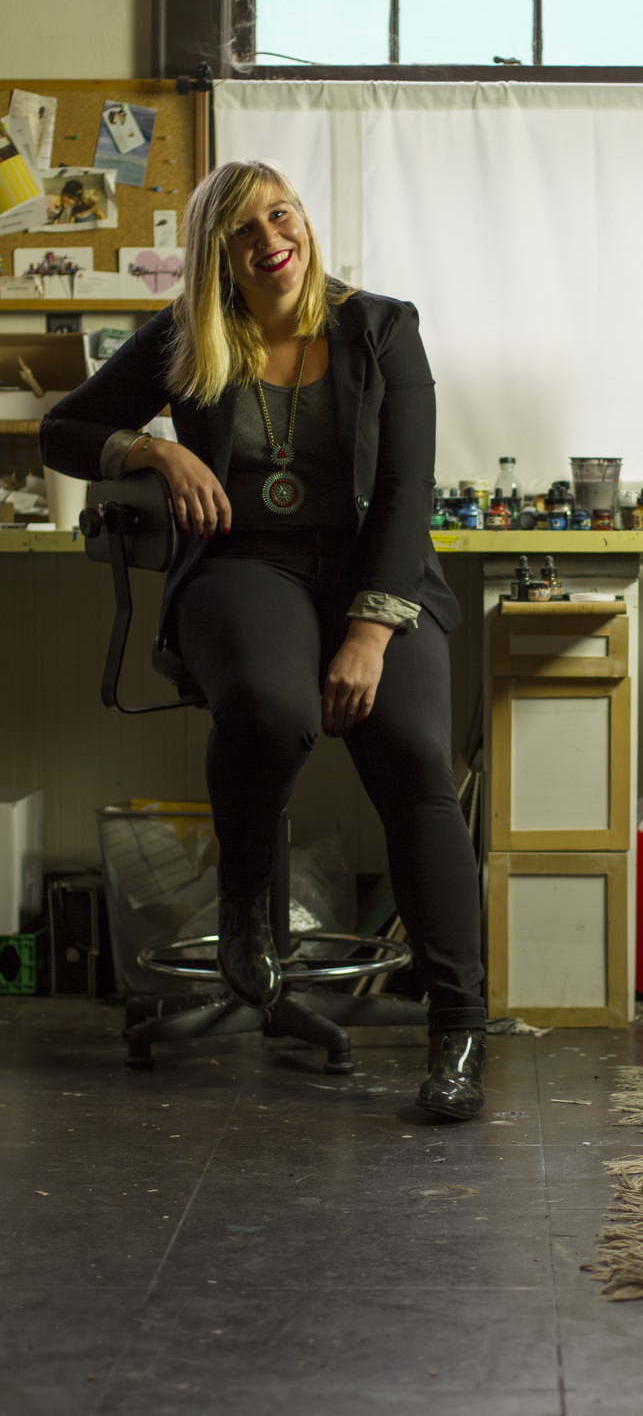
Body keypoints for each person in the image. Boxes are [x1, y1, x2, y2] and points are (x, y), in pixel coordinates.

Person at [39, 158, 487, 1120]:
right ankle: (248, 907)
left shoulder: (381, 328)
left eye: (280, 216)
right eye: (243, 231)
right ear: (218, 255)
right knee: (274, 709)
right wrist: (150, 446)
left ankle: (459, 1028)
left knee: (410, 750)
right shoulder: (190, 336)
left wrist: (370, 632)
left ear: (304, 224)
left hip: (376, 576)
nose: (269, 240)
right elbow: (64, 430)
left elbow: (408, 493)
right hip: (249, 568)